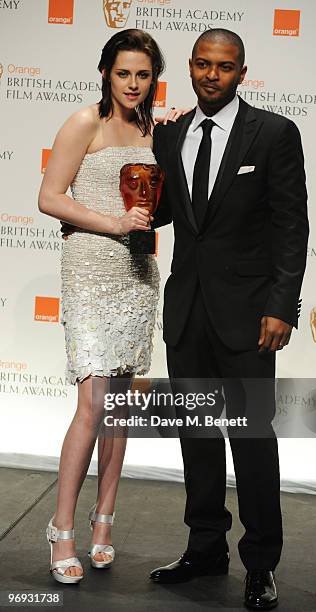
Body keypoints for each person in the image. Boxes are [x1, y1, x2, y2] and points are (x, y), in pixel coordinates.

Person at [149, 29, 309, 610]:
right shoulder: (169, 135)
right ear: (189, 68)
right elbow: (166, 212)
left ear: (242, 72)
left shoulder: (273, 134)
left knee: (251, 441)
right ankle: (205, 547)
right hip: (186, 312)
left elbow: (293, 227)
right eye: (201, 64)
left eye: (224, 66)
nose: (211, 75)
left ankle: (261, 563)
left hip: (250, 317)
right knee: (196, 437)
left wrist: (280, 306)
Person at [38, 29, 182, 585]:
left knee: (120, 405)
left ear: (153, 79)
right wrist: (113, 222)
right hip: (91, 271)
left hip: (138, 272)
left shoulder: (153, 129)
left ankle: (103, 523)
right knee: (93, 403)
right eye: (123, 73)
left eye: (143, 74)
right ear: (105, 72)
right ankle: (61, 527)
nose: (133, 84)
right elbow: (50, 197)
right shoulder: (84, 123)